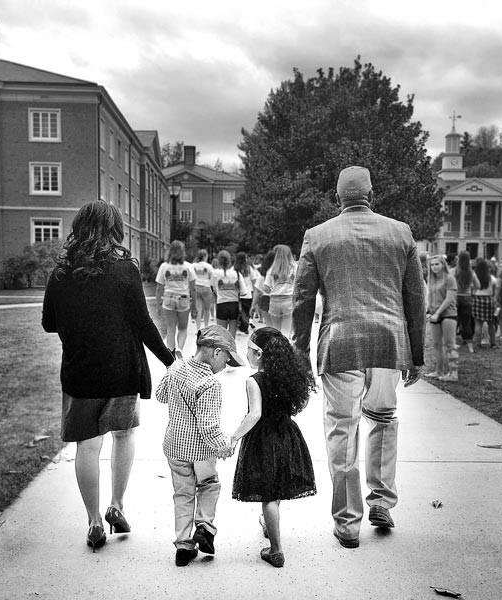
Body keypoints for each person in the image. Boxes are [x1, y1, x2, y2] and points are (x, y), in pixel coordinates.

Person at [292, 165, 425, 549]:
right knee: (383, 418)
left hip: (341, 341)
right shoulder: (400, 233)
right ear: (371, 194)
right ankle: (382, 500)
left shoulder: (318, 236)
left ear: (338, 198)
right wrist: (416, 353)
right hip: (388, 342)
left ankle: (348, 522)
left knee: (342, 427)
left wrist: (300, 351)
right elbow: (416, 298)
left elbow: (302, 300)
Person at [42, 201, 175, 552]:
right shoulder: (125, 270)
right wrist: (169, 360)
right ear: (114, 230)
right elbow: (142, 323)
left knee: (88, 444)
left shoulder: (60, 273)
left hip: (79, 372)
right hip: (120, 370)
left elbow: (48, 323)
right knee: (124, 434)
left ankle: (93, 522)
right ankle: (116, 504)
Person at [154, 325, 244, 566]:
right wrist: (223, 446)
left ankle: (183, 544)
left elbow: (160, 395)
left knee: (182, 493)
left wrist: (173, 368)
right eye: (227, 360)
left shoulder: (176, 368)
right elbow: (208, 426)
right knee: (209, 485)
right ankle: (204, 528)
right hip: (202, 452)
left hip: (175, 447)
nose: (225, 366)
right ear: (216, 353)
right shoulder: (210, 383)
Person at [228, 327, 316, 568]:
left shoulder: (254, 380)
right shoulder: (291, 376)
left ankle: (276, 550)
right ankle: (269, 524)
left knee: (267, 494)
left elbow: (254, 414)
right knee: (276, 487)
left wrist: (235, 437)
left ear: (258, 354)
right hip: (287, 436)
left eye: (247, 349)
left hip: (263, 441)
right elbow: (302, 402)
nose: (245, 353)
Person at [155, 240, 196, 359]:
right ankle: (180, 349)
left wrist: (158, 305)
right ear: (183, 252)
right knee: (183, 328)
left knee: (171, 328)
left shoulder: (164, 266)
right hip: (183, 299)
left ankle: (171, 354)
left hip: (168, 298)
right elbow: (193, 289)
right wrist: (194, 307)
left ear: (170, 251)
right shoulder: (188, 266)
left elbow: (159, 287)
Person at [426, 254, 459, 381]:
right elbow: (431, 297)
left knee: (450, 344)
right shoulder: (432, 279)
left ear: (443, 264)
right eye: (432, 264)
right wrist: (428, 311)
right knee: (436, 344)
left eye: (437, 264)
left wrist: (438, 313)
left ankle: (453, 373)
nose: (434, 267)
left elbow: (449, 298)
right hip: (435, 314)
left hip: (448, 314)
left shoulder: (449, 278)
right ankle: (439, 371)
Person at [211, 250, 246, 338]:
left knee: (221, 334)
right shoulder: (237, 274)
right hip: (234, 305)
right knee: (231, 335)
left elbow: (213, 288)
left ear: (218, 261)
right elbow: (244, 292)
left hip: (221, 304)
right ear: (230, 260)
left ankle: (223, 351)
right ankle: (231, 350)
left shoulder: (215, 273)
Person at [263, 244, 297, 335]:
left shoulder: (272, 269)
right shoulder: (294, 268)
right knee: (286, 331)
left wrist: (274, 289)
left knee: (276, 331)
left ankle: (276, 348)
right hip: (288, 300)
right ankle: (286, 348)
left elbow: (266, 288)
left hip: (274, 301)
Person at [453, 250, 477, 353]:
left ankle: (453, 343)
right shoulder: (471, 272)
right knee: (467, 322)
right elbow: (478, 285)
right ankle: (470, 347)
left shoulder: (454, 271)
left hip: (455, 297)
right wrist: (472, 290)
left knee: (454, 321)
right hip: (467, 297)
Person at [472, 257, 497, 349]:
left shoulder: (475, 277)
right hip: (489, 299)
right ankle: (493, 343)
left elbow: (472, 289)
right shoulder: (491, 278)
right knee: (491, 324)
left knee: (478, 324)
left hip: (477, 299)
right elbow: (494, 292)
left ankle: (478, 343)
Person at [235, 251, 258, 334]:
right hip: (248, 294)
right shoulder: (249, 268)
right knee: (247, 312)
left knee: (238, 312)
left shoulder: (234, 269)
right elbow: (254, 280)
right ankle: (246, 326)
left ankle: (239, 326)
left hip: (236, 294)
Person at [251, 249, 275, 327]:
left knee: (269, 325)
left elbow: (257, 291)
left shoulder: (263, 273)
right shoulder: (283, 272)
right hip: (279, 299)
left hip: (265, 299)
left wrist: (253, 305)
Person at [192, 249, 214, 329]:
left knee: (198, 309)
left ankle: (198, 329)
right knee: (206, 310)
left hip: (196, 287)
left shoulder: (193, 265)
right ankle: (206, 327)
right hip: (206, 287)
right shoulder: (209, 266)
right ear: (205, 256)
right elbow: (212, 278)